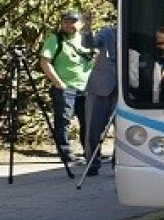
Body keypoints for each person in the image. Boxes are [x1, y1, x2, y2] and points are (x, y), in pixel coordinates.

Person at [39, 10, 95, 163]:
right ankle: (65, 153)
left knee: (88, 121)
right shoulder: (55, 39)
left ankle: (89, 152)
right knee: (63, 121)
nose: (69, 24)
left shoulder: (86, 39)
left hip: (86, 87)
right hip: (65, 87)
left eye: (73, 21)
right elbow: (45, 62)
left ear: (80, 23)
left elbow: (95, 58)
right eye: (66, 21)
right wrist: (58, 83)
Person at [83, 25, 117, 177]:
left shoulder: (136, 33)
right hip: (100, 86)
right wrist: (87, 29)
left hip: (124, 89)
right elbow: (90, 43)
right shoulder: (107, 32)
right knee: (93, 127)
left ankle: (118, 164)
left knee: (123, 129)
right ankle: (92, 163)